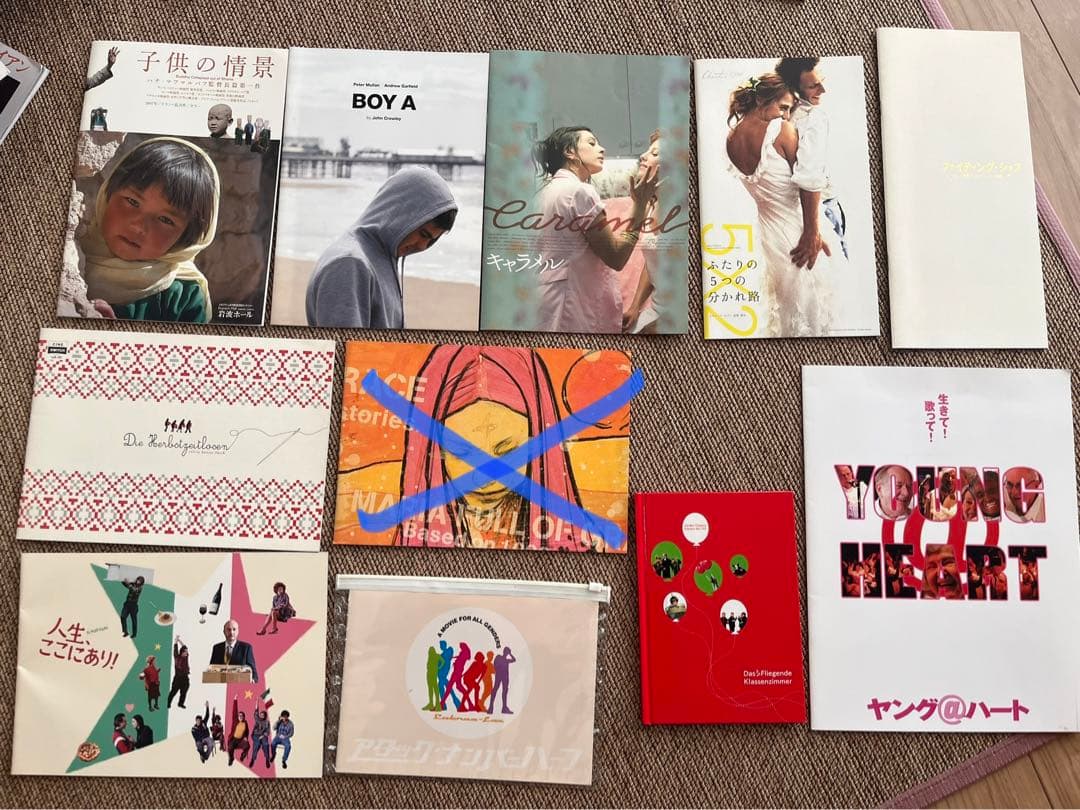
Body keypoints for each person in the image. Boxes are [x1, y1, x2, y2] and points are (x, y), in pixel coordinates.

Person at [394, 345, 591, 551]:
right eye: (463, 454)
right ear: (435, 451)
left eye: (508, 452)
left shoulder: (581, 542)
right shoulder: (412, 544)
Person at [726, 73, 837, 337]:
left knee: (786, 312)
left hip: (767, 238)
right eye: (783, 107)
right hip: (799, 233)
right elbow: (808, 181)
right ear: (762, 100)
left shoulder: (731, 138)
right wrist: (812, 232)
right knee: (814, 310)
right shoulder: (780, 130)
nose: (786, 116)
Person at [531, 126, 658, 333]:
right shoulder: (579, 192)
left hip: (548, 300)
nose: (602, 148)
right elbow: (616, 257)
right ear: (570, 152)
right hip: (572, 304)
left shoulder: (546, 192)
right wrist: (640, 204)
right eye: (592, 143)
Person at [82, 137, 220, 323]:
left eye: (165, 220)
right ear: (107, 194)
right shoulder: (74, 254)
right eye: (132, 201)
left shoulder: (184, 296)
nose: (138, 226)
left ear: (186, 238)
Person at [305, 166, 458, 328]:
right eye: (423, 234)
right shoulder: (350, 264)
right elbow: (345, 344)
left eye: (431, 240)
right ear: (400, 212)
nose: (422, 246)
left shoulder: (381, 255)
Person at [775, 57, 848, 260]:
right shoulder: (812, 118)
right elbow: (810, 175)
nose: (823, 90)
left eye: (822, 81)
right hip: (817, 211)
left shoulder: (786, 114)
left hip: (802, 210)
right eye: (813, 86)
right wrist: (812, 232)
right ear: (795, 89)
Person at [622, 131, 669, 333]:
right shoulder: (653, 203)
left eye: (655, 154)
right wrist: (635, 306)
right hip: (656, 310)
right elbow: (653, 261)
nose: (643, 156)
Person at [487, 647, 516, 714]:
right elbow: (495, 665)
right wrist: (498, 671)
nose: (507, 653)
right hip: (499, 676)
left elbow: (514, 660)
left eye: (508, 652)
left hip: (505, 677)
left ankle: (504, 708)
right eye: (507, 652)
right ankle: (491, 707)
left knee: (504, 691)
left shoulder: (506, 660)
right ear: (504, 651)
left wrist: (510, 654)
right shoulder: (499, 657)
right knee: (495, 689)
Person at [167, 637, 189, 708]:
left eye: (187, 652)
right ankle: (168, 703)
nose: (187, 653)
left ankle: (180, 703)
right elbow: (175, 649)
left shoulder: (186, 657)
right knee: (173, 692)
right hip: (178, 678)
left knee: (184, 692)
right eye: (185, 652)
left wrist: (179, 640)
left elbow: (184, 646)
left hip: (185, 678)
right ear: (182, 652)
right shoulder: (177, 657)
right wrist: (176, 641)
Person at [227, 699, 250, 766]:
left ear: (244, 717)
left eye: (242, 716)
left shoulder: (245, 723)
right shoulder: (235, 721)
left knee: (247, 746)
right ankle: (231, 758)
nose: (240, 717)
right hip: (234, 739)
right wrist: (235, 700)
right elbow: (234, 710)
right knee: (230, 748)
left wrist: (246, 737)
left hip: (241, 740)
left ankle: (242, 756)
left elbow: (247, 731)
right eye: (239, 715)